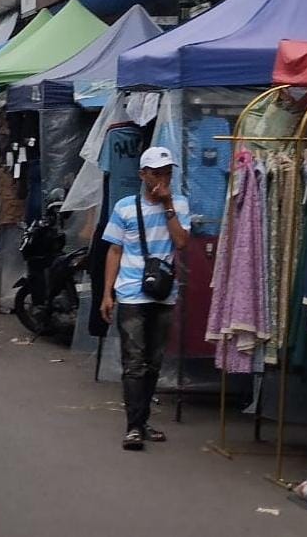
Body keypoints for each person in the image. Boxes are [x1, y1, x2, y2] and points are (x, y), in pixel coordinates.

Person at [99, 147, 190, 451]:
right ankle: (133, 426)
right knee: (134, 362)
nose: (163, 178)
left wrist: (167, 206)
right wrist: (107, 293)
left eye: (167, 172)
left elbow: (181, 242)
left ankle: (142, 420)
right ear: (143, 174)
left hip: (164, 294)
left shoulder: (178, 205)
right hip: (131, 293)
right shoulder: (125, 207)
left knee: (153, 362)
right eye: (157, 172)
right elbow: (114, 251)